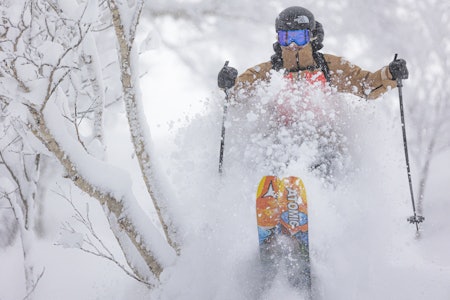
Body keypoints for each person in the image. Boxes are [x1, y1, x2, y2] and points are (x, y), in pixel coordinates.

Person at [217, 6, 409, 179]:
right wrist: (229, 84)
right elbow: (238, 93)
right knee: (274, 147)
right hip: (282, 139)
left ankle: (320, 195)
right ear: (278, 39)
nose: (293, 45)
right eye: (286, 37)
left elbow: (366, 86)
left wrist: (390, 74)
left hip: (322, 140)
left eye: (299, 37)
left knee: (324, 153)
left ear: (311, 36)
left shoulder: (329, 67)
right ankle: (276, 195)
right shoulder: (270, 71)